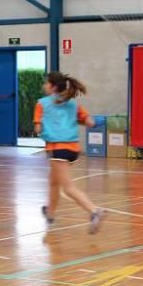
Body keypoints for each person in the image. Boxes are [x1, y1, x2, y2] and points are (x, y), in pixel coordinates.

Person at [35, 72, 104, 233]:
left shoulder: (42, 104)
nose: (44, 86)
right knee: (53, 181)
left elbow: (38, 128)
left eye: (46, 83)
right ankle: (50, 214)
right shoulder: (73, 104)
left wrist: (43, 128)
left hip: (57, 148)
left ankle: (94, 211)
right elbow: (90, 122)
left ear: (52, 87)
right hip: (73, 149)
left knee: (68, 188)